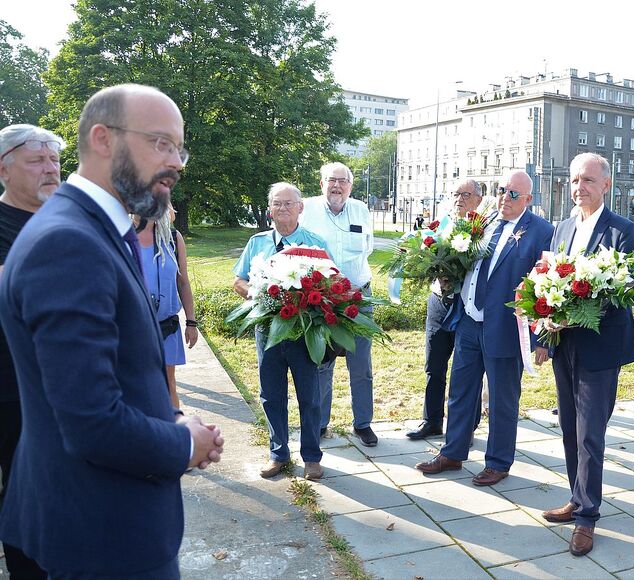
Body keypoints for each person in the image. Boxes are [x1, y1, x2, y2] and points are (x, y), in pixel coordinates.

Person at [0, 84, 224, 577]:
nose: (176, 163)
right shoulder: (68, 241)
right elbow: (92, 422)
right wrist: (186, 445)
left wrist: (172, 418)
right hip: (100, 534)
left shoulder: (98, 227)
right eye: (161, 143)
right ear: (103, 139)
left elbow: (121, 370)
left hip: (104, 518)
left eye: (178, 148)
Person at [415, 170, 553, 487]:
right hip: (468, 322)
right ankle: (452, 452)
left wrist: (543, 338)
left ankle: (498, 462)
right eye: (501, 189)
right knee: (461, 392)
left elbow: (546, 288)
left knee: (503, 400)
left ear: (528, 199)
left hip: (506, 328)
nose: (505, 197)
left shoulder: (541, 231)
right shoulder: (486, 221)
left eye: (513, 193)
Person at [540, 153, 634, 557]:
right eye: (574, 180)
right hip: (564, 344)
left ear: (606, 185)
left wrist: (582, 310)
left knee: (590, 434)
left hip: (600, 347)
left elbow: (631, 289)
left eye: (587, 180)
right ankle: (576, 497)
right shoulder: (562, 228)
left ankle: (587, 517)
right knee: (569, 427)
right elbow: (547, 281)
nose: (579, 187)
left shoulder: (622, 230)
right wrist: (548, 325)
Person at [0, 123, 63, 579]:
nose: (50, 169)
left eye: (54, 160)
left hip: (73, 377)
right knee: (23, 484)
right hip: (14, 385)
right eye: (37, 160)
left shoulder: (69, 218)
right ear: (4, 169)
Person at [233, 182, 329, 480]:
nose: (283, 208)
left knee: (310, 396)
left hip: (303, 333)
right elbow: (238, 281)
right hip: (268, 332)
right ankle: (278, 454)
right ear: (269, 209)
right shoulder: (257, 242)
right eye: (277, 203)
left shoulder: (314, 245)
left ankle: (312, 457)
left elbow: (331, 285)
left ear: (300, 208)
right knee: (271, 395)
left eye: (288, 203)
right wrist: (257, 293)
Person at [299, 162, 378, 447]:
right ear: (321, 183)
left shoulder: (360, 209)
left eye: (342, 181)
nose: (337, 186)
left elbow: (367, 248)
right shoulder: (306, 209)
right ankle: (320, 424)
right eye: (331, 180)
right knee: (322, 363)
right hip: (323, 300)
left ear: (350, 186)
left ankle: (363, 423)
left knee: (361, 364)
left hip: (359, 297)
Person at [407, 179, 483, 440]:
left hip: (466, 306)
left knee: (467, 371)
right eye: (456, 194)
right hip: (439, 301)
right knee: (434, 365)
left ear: (479, 200)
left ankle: (466, 428)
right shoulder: (441, 224)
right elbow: (427, 254)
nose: (459, 199)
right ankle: (432, 421)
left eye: (466, 194)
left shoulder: (482, 230)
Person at [135, 205, 197, 408]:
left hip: (166, 327)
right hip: (133, 329)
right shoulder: (120, 236)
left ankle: (173, 427)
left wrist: (191, 322)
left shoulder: (172, 237)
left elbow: (183, 282)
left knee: (168, 385)